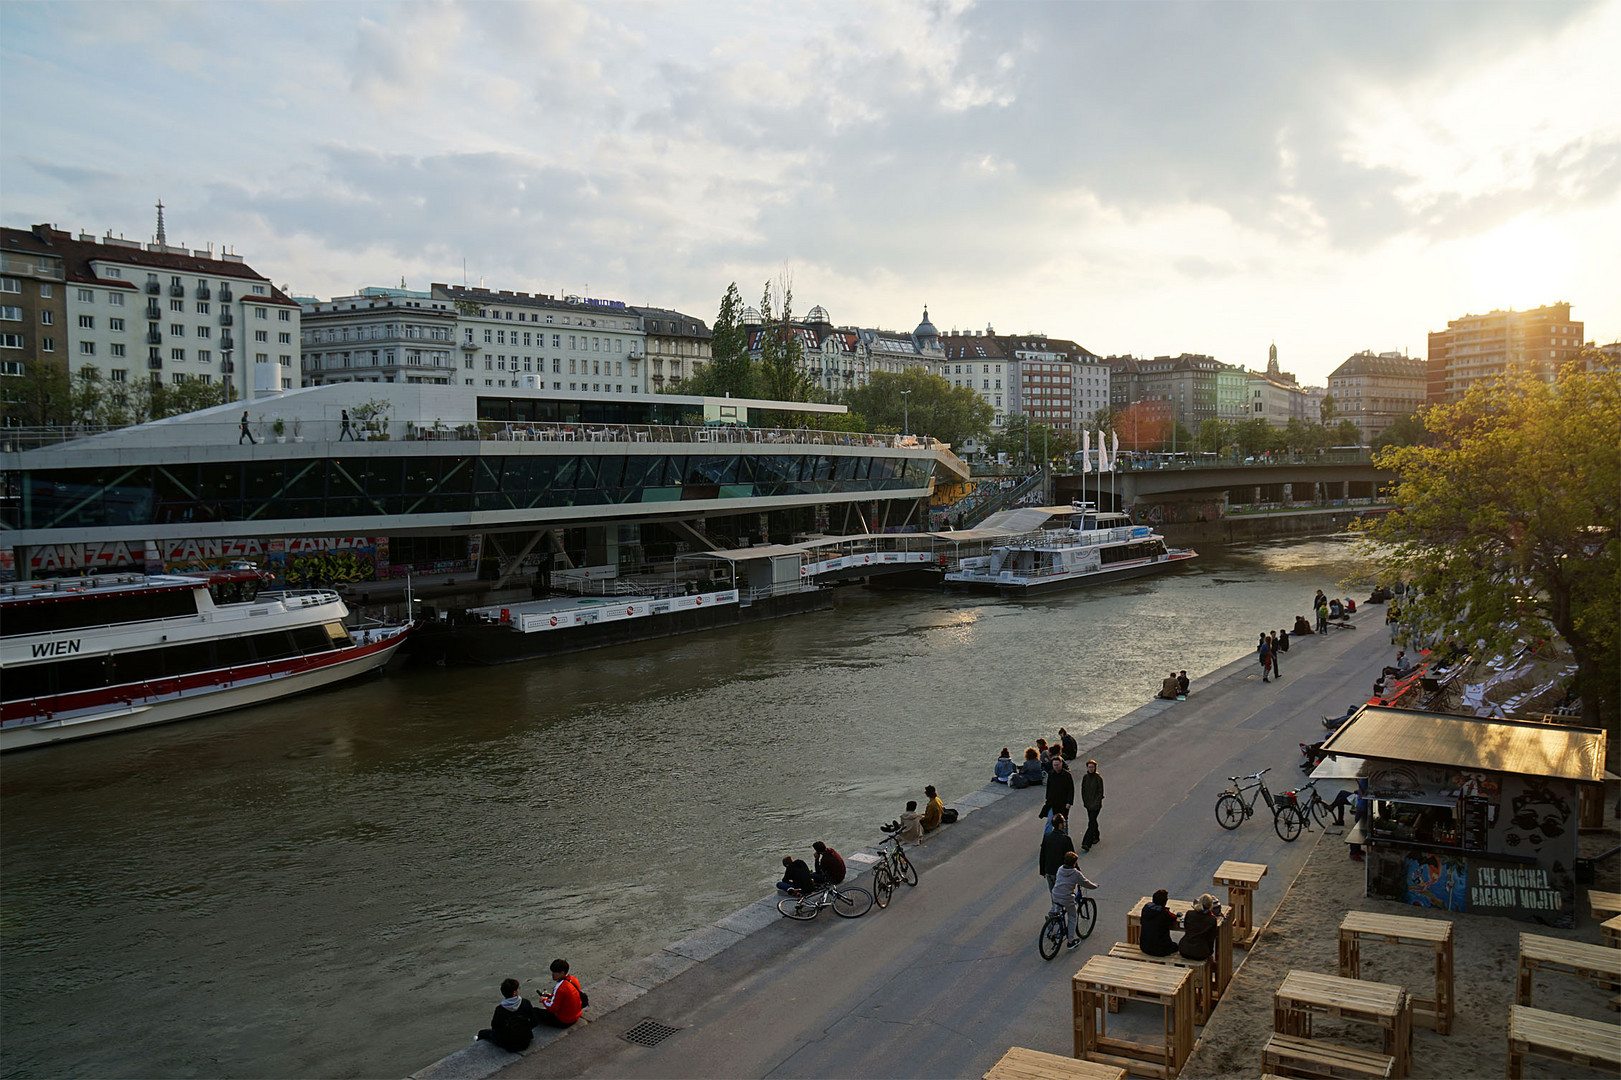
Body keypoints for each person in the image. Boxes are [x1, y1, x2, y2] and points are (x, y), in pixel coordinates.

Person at [476, 978, 541, 1051]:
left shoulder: (500, 1009)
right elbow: (535, 1021)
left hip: (509, 1044)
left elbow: (495, 1026)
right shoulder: (525, 1003)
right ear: (514, 992)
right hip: (526, 1040)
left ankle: (477, 1040)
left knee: (483, 1033)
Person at [1051, 851, 1099, 950]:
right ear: (1075, 863)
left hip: (1055, 894)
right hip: (1067, 897)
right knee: (1072, 916)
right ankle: (1070, 941)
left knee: (1059, 905)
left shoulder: (1060, 869)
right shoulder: (1075, 873)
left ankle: (1055, 918)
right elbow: (1085, 883)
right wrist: (1095, 886)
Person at [535, 959, 584, 1028]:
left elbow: (553, 1008)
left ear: (562, 973)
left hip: (564, 1021)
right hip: (576, 1015)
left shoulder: (560, 988)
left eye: (555, 972)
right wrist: (550, 996)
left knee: (535, 1011)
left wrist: (543, 1000)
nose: (552, 975)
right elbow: (566, 997)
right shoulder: (573, 980)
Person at [1177, 895, 1222, 961]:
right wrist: (1210, 953)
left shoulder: (1189, 914)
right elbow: (1211, 939)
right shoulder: (1211, 919)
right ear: (1211, 905)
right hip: (1200, 953)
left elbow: (1186, 928)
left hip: (1184, 950)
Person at [1039, 813, 1075, 891]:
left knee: (1054, 895)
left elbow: (1043, 854)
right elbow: (1071, 856)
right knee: (1064, 894)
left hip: (1049, 871)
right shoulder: (1066, 839)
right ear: (1060, 825)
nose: (1065, 824)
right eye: (1064, 822)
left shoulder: (1047, 837)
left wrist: (1042, 870)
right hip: (1061, 872)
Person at [1139, 889, 1181, 957]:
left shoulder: (1146, 908)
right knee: (1176, 946)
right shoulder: (1164, 913)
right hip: (1160, 949)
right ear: (1165, 902)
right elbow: (1173, 917)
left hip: (1144, 947)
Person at [1042, 756, 1074, 831]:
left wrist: (1069, 802)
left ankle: (1064, 837)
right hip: (1052, 802)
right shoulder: (1051, 774)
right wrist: (1047, 799)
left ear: (1061, 764)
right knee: (1050, 820)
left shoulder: (1067, 775)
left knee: (1063, 821)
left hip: (1063, 802)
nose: (1055, 767)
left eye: (1057, 765)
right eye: (1054, 765)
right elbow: (1049, 788)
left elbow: (1071, 789)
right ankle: (1047, 839)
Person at [1080, 759, 1104, 851]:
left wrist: (1096, 803)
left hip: (1096, 805)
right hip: (1088, 804)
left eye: (1092, 767)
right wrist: (1085, 802)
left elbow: (1100, 792)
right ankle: (1096, 836)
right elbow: (1083, 790)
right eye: (1089, 767)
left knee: (1091, 822)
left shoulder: (1098, 778)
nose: (1091, 769)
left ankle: (1086, 843)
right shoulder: (1085, 778)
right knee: (1092, 821)